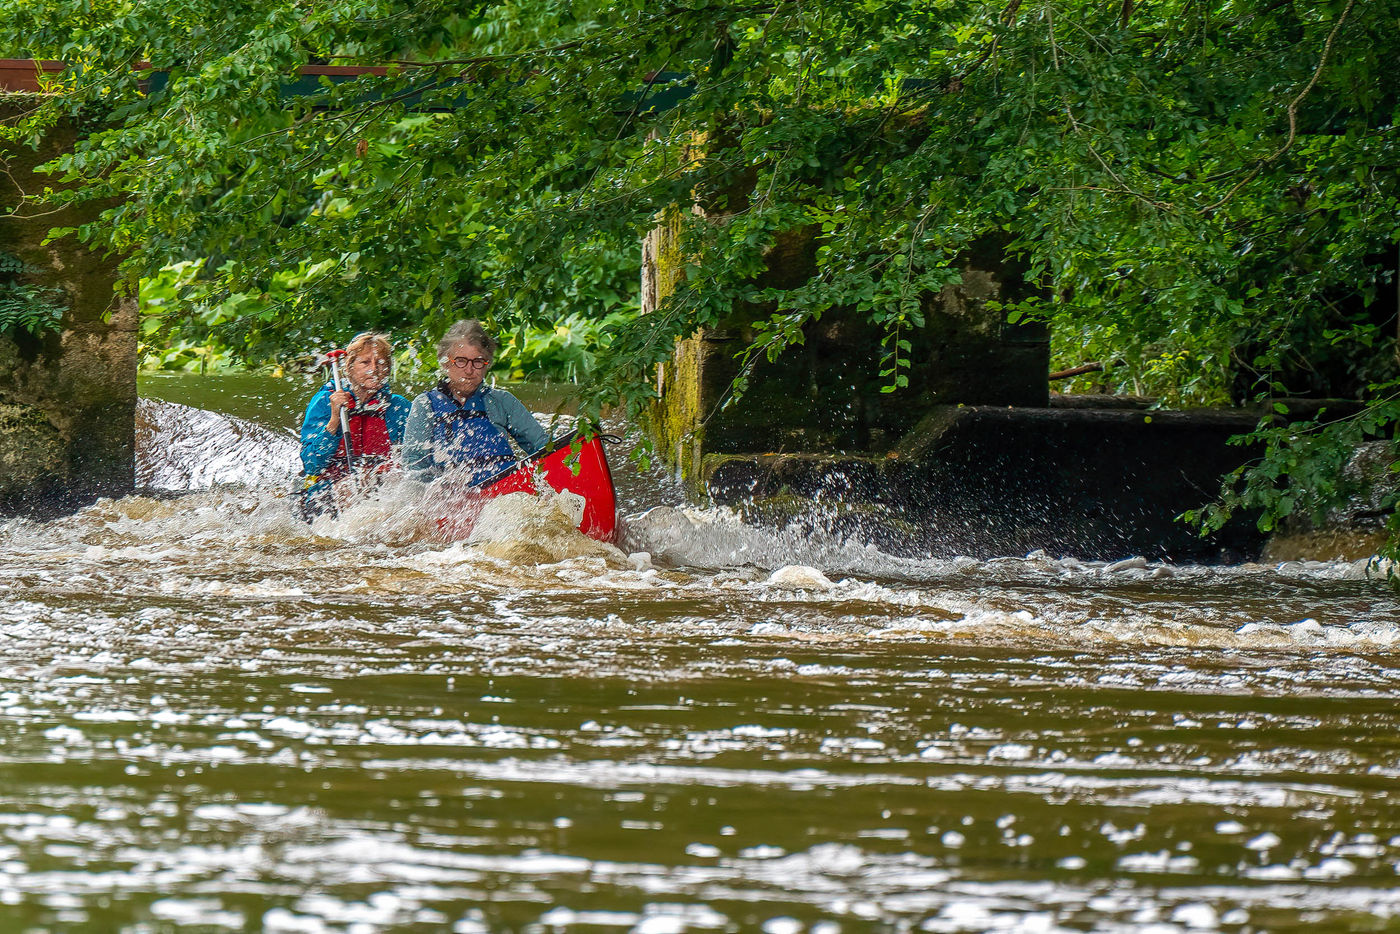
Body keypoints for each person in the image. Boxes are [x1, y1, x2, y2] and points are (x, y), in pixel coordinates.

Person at [403, 319, 549, 485]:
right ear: (445, 363)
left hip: (504, 495)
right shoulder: (425, 404)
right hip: (450, 500)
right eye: (461, 361)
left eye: (478, 362)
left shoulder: (502, 402)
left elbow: (543, 448)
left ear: (486, 365)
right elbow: (413, 466)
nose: (469, 370)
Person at [298, 331, 412, 517]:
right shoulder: (325, 401)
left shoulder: (398, 407)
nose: (374, 369)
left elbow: (415, 460)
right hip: (329, 489)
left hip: (381, 488)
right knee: (346, 490)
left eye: (381, 363)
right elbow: (312, 464)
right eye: (365, 362)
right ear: (349, 368)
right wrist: (334, 420)